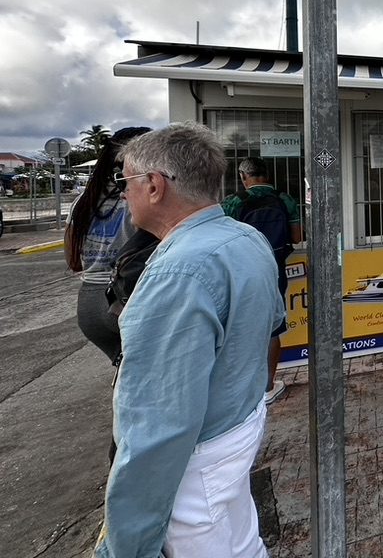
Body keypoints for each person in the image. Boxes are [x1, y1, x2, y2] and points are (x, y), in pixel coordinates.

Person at [94, 123, 281, 558]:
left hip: (196, 462)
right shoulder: (245, 238)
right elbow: (274, 323)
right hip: (239, 427)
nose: (124, 194)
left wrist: (127, 543)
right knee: (242, 542)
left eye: (126, 182)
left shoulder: (178, 271)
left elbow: (157, 424)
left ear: (155, 186)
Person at [64, 126, 151, 364]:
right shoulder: (143, 197)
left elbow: (73, 260)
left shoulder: (82, 201)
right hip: (127, 298)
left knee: (124, 373)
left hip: (89, 304)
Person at [223, 157, 303, 405]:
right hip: (274, 269)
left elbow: (222, 240)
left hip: (241, 271)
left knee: (239, 325)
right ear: (266, 175)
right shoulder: (285, 199)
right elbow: (298, 237)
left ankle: (241, 387)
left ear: (243, 176)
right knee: (272, 326)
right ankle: (268, 385)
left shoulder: (234, 202)